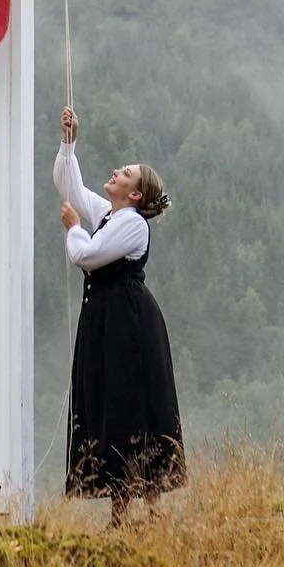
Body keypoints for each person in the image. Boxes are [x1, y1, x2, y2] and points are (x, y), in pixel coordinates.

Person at [55, 104, 185, 523]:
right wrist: (68, 144)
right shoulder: (114, 215)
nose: (116, 172)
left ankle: (143, 507)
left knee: (131, 404)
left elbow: (88, 257)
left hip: (128, 324)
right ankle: (127, 507)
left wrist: (74, 227)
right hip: (110, 321)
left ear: (135, 195)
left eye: (125, 174)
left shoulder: (131, 224)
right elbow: (68, 185)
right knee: (113, 402)